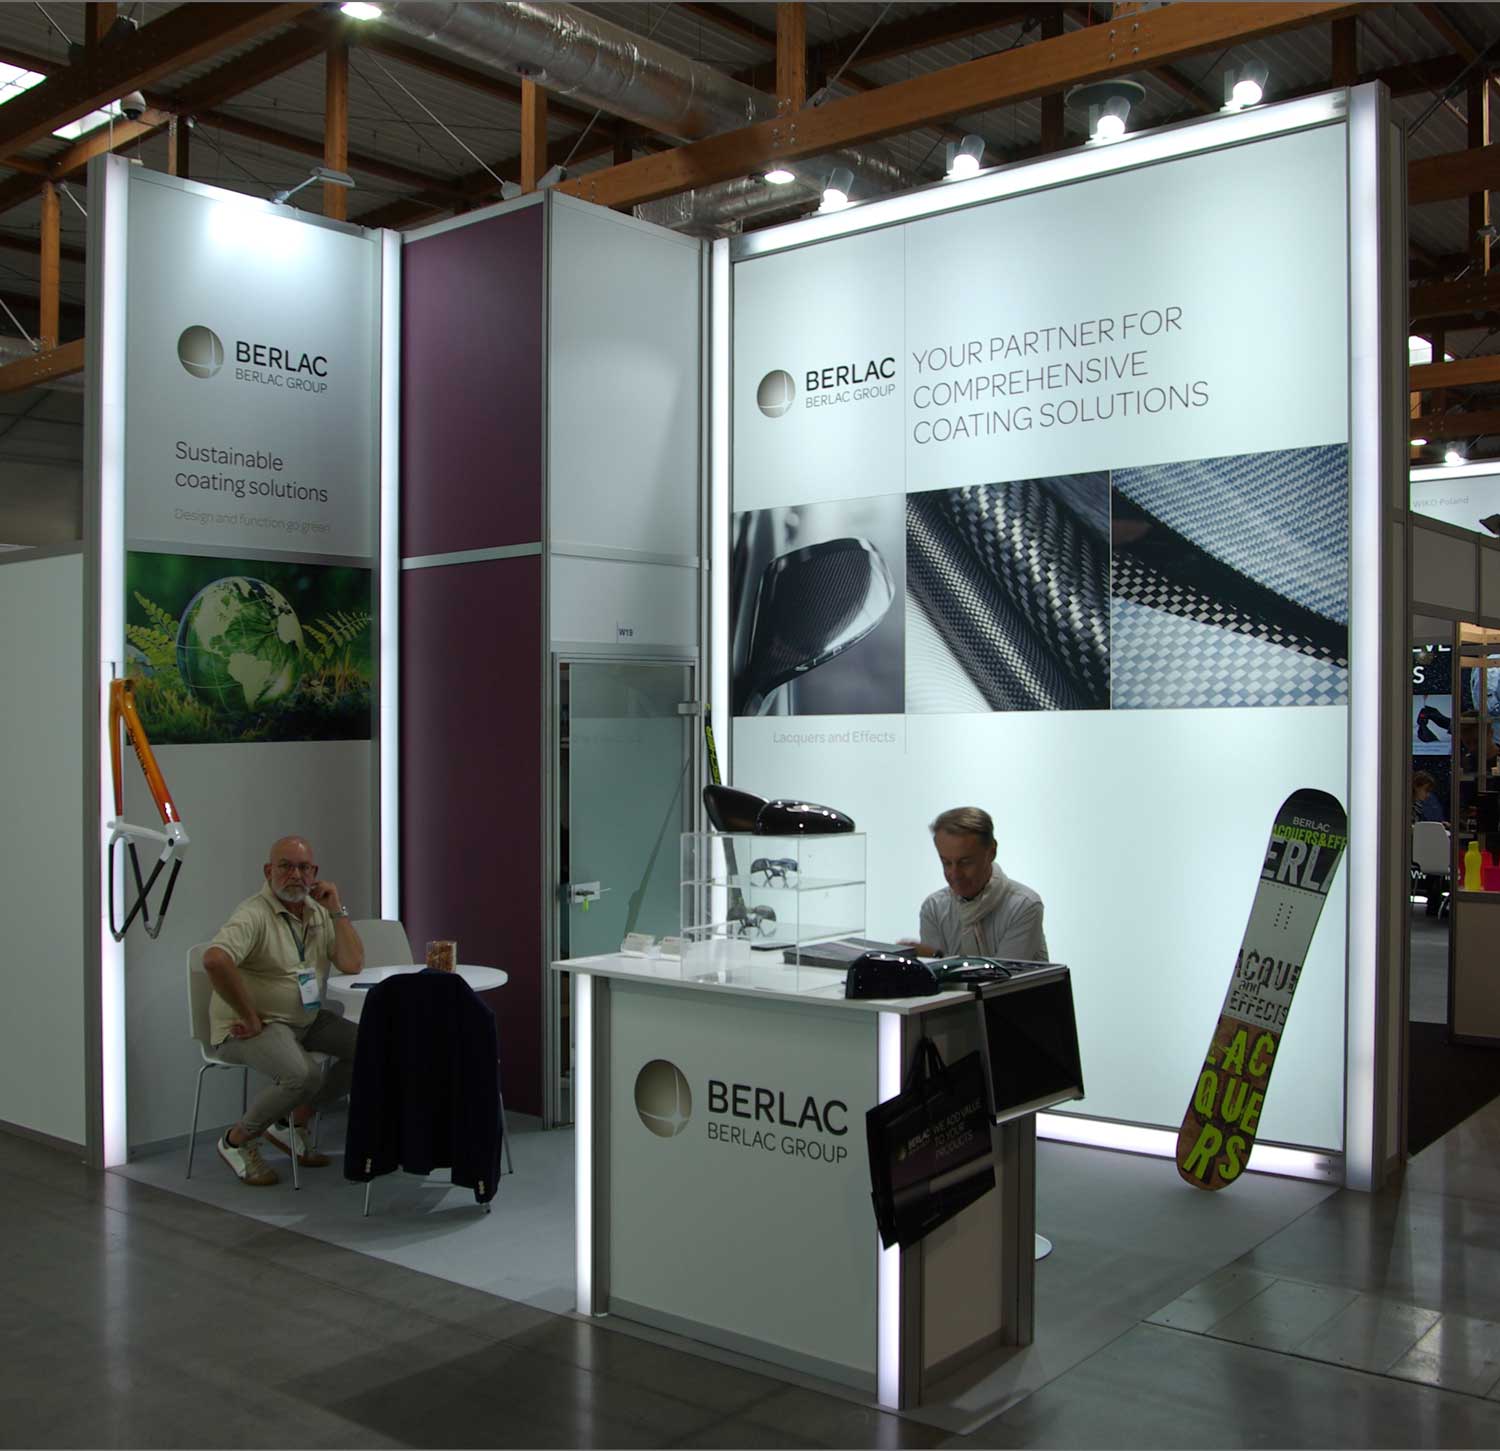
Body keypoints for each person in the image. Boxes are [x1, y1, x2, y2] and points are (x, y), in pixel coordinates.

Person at [202, 835, 365, 1186]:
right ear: (268, 871)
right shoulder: (253, 914)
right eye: (286, 866)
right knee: (304, 1075)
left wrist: (337, 909)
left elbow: (352, 963)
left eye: (304, 868)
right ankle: (236, 1141)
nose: (295, 875)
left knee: (374, 1047)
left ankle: (292, 1121)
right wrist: (249, 1016)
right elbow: (215, 960)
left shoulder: (318, 912)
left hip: (306, 1019)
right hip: (254, 1027)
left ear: (314, 873)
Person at [913, 806, 1048, 962]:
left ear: (992, 852)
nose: (955, 874)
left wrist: (938, 958)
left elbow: (1002, 976)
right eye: (946, 862)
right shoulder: (933, 908)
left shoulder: (1023, 906)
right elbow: (933, 975)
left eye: (965, 862)